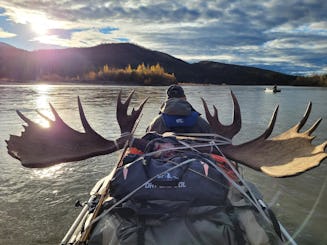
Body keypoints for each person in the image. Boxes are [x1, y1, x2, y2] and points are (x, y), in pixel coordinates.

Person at [146, 85, 212, 134]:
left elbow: (148, 138)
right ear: (185, 98)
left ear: (167, 100)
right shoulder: (200, 121)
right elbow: (212, 137)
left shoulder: (157, 121)